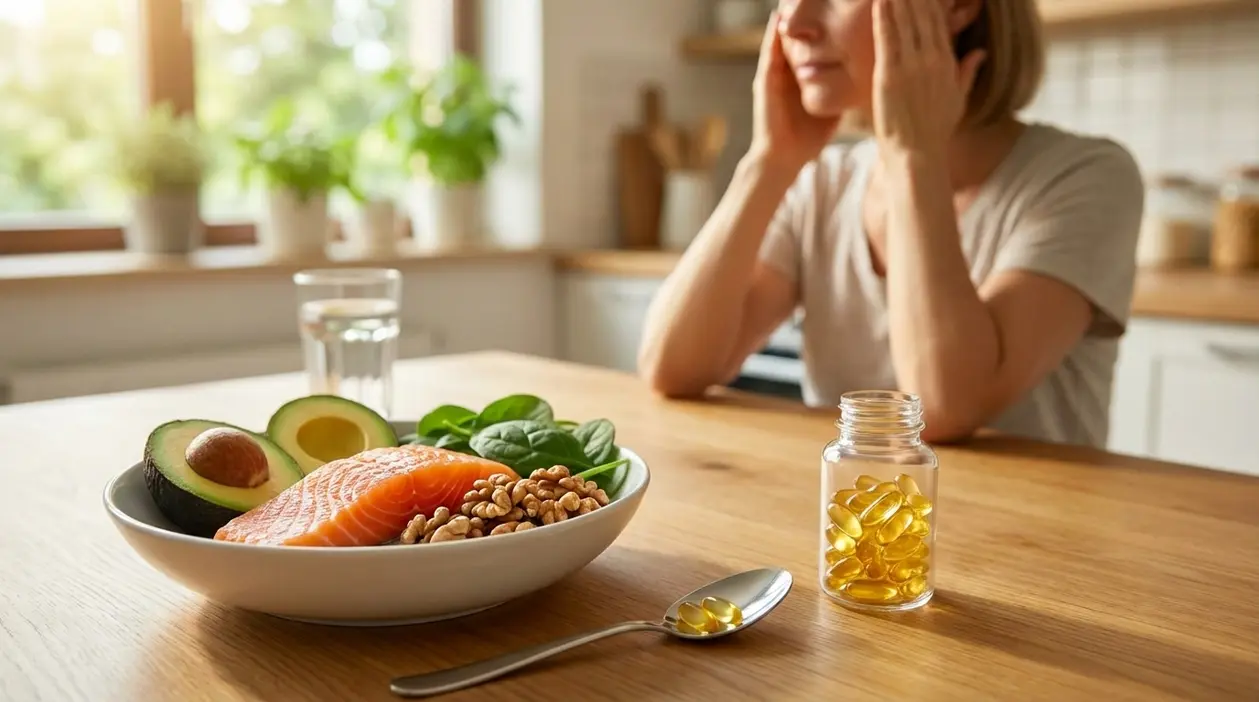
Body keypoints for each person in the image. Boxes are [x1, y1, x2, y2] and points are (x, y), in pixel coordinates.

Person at [636, 0, 1146, 448]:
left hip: (1035, 545)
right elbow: (672, 366)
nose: (795, 22)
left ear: (961, 4)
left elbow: (944, 406)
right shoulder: (822, 183)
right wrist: (768, 160)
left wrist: (913, 157)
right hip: (862, 530)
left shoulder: (1086, 176)